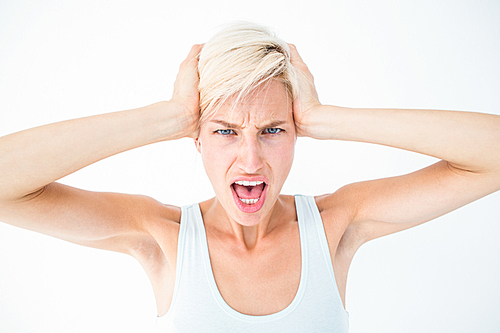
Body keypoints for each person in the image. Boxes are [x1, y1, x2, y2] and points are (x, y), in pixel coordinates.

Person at [0, 22, 499, 332]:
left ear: (296, 131)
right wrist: (170, 116)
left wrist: (326, 118)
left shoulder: (336, 224)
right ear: (196, 138)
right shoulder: (163, 237)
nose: (251, 159)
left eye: (272, 129)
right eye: (224, 131)